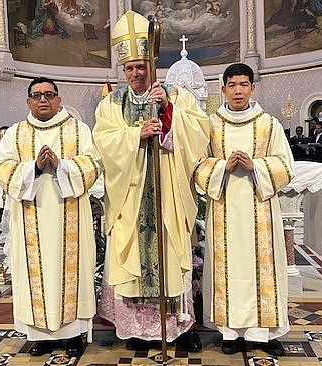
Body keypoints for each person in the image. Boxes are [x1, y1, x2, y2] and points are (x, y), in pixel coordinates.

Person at [93, 10, 209, 353]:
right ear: (123, 70)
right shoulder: (112, 103)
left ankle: (178, 327)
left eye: (141, 65)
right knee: (131, 259)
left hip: (167, 195)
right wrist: (136, 134)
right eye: (130, 68)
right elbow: (104, 141)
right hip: (129, 197)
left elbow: (200, 131)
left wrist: (170, 111)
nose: (137, 73)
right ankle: (134, 330)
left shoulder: (174, 93)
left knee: (172, 255)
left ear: (150, 64)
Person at [0, 77, 101, 358]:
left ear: (59, 99)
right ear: (28, 101)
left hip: (71, 215)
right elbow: (1, 168)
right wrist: (34, 168)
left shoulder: (78, 130)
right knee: (35, 276)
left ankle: (74, 333)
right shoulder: (15, 134)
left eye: (49, 95)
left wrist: (62, 165)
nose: (43, 100)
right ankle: (39, 335)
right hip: (30, 215)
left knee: (72, 272)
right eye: (37, 95)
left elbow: (93, 164)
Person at [194, 63, 295, 355]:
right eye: (232, 85)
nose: (238, 90)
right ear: (223, 89)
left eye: (244, 85)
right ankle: (229, 333)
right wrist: (223, 166)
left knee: (262, 268)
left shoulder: (268, 124)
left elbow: (286, 166)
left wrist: (256, 166)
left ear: (252, 87)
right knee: (227, 267)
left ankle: (263, 333)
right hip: (224, 208)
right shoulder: (210, 124)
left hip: (260, 209)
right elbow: (198, 165)